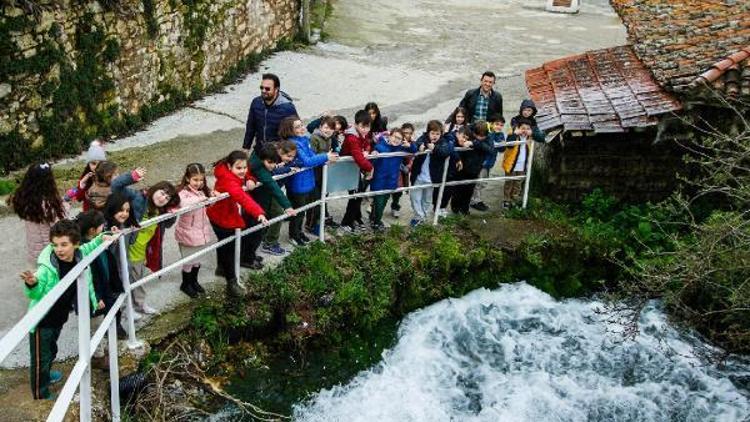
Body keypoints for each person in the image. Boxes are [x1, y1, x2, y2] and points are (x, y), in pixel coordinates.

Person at [21, 219, 110, 399]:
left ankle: (47, 373)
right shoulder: (47, 268)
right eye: (55, 245)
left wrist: (104, 237)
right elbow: (35, 295)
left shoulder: (79, 254)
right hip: (42, 321)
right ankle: (40, 392)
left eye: (64, 244)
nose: (59, 249)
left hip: (59, 317)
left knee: (52, 350)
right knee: (40, 359)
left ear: (75, 244)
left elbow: (91, 245)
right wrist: (32, 283)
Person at [111, 170, 180, 315]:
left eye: (167, 198)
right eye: (162, 193)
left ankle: (140, 304)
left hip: (141, 250)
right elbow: (115, 186)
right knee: (124, 280)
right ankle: (125, 310)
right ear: (155, 189)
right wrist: (131, 177)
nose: (163, 199)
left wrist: (172, 210)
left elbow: (167, 224)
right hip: (126, 248)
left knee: (137, 278)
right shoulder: (137, 197)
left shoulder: (159, 209)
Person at [207, 151, 268, 297]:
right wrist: (258, 212)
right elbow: (242, 197)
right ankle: (232, 283)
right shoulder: (228, 180)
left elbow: (245, 176)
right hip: (221, 216)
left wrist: (249, 178)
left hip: (223, 213)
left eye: (244, 167)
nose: (242, 171)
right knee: (228, 247)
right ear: (229, 167)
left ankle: (221, 269)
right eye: (239, 168)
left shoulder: (226, 171)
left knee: (225, 244)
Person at [281, 116, 337, 244]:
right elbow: (307, 161)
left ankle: (299, 232)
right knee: (298, 212)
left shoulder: (304, 139)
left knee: (304, 210)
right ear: (290, 130)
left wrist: (325, 159)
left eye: (301, 125)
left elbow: (312, 156)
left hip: (308, 180)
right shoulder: (293, 144)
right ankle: (293, 235)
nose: (302, 128)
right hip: (298, 183)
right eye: (297, 127)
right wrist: (325, 156)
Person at [11, 162, 69, 265]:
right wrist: (65, 204)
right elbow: (60, 225)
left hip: (35, 249)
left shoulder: (23, 198)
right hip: (50, 250)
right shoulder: (49, 204)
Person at [248, 143, 296, 267]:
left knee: (260, 224)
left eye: (275, 162)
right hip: (257, 196)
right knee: (254, 228)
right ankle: (260, 249)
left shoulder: (264, 156)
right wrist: (287, 206)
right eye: (270, 162)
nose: (273, 166)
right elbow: (272, 186)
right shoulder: (260, 168)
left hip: (261, 195)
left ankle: (250, 254)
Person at [174, 163, 214, 298]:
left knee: (197, 259)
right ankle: (186, 284)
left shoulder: (203, 191)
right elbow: (183, 204)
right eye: (195, 180)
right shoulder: (182, 193)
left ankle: (194, 281)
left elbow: (209, 202)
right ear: (187, 179)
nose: (198, 183)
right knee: (188, 260)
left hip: (200, 231)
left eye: (201, 180)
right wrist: (201, 198)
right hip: (187, 232)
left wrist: (212, 196)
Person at [369, 129, 417, 231]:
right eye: (394, 137)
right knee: (379, 202)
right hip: (379, 180)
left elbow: (414, 150)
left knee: (383, 202)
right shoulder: (380, 146)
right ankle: (376, 223)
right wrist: (374, 153)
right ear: (390, 136)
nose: (396, 140)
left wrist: (410, 144)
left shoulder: (401, 149)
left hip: (391, 181)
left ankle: (374, 218)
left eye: (399, 138)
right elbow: (373, 155)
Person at [242, 73, 298, 154]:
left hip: (278, 153)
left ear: (276, 89)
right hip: (260, 149)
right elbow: (251, 126)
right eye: (261, 88)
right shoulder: (256, 102)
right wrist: (246, 147)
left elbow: (296, 131)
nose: (263, 91)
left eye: (267, 89)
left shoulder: (287, 108)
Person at [259, 140, 298, 257]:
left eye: (292, 156)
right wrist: (288, 169)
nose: (290, 159)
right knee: (278, 214)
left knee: (273, 214)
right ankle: (270, 242)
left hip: (275, 191)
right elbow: (272, 172)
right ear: (280, 152)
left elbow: (299, 162)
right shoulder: (272, 160)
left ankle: (266, 238)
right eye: (288, 156)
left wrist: (288, 166)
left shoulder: (285, 161)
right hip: (271, 191)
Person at [339, 109, 374, 232]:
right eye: (362, 126)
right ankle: (346, 223)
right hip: (346, 170)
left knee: (357, 195)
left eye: (368, 127)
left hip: (353, 169)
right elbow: (358, 157)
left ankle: (355, 218)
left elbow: (365, 146)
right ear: (356, 125)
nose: (365, 129)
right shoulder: (352, 138)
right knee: (355, 196)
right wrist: (370, 168)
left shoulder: (360, 135)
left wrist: (366, 150)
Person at [450, 124, 493, 215]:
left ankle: (465, 210)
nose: (479, 138)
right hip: (461, 168)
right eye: (477, 136)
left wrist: (474, 143)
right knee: (457, 190)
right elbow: (455, 140)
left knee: (469, 191)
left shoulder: (487, 138)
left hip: (475, 169)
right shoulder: (468, 132)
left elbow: (490, 149)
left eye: (482, 136)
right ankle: (455, 209)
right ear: (474, 133)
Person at [306, 116, 338, 234]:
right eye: (325, 127)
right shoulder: (314, 138)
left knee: (322, 199)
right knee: (314, 201)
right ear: (320, 127)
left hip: (323, 173)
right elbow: (312, 157)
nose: (328, 130)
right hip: (314, 174)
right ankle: (310, 225)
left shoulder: (329, 138)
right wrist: (326, 158)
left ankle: (317, 223)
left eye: (331, 128)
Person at [502, 117, 544, 208]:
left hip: (522, 165)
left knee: (518, 184)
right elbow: (509, 145)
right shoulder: (512, 134)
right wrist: (514, 133)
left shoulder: (530, 137)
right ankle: (506, 200)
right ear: (518, 128)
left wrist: (533, 133)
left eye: (527, 129)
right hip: (511, 165)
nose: (525, 131)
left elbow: (542, 138)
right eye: (523, 128)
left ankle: (514, 199)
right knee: (509, 183)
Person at [409, 121, 443, 226]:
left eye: (437, 134)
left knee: (427, 200)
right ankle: (419, 217)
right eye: (433, 133)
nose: (435, 136)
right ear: (428, 132)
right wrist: (420, 146)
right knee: (415, 198)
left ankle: (421, 218)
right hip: (419, 176)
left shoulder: (442, 142)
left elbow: (447, 150)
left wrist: (435, 148)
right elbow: (416, 143)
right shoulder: (423, 139)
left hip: (431, 178)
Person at [471, 115, 506, 211]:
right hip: (482, 162)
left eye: (501, 125)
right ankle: (475, 201)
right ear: (491, 124)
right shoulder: (487, 133)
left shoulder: (500, 134)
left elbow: (502, 149)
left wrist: (499, 135)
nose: (499, 126)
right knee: (479, 182)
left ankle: (476, 199)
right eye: (497, 124)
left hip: (490, 163)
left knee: (483, 182)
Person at [65, 140, 106, 210]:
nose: (96, 166)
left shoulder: (108, 176)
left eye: (99, 163)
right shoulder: (85, 178)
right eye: (93, 163)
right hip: (89, 214)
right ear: (88, 164)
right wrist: (81, 185)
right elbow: (79, 198)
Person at [389, 122, 415, 219]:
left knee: (398, 191)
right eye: (405, 132)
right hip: (391, 169)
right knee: (385, 190)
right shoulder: (396, 139)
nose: (407, 135)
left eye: (410, 133)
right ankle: (373, 206)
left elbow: (413, 156)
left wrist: (408, 167)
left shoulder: (411, 144)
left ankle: (395, 207)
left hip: (402, 172)